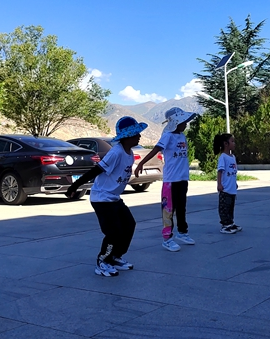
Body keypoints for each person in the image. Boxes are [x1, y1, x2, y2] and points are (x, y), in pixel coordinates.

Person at [66, 116, 147, 276]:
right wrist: (75, 186)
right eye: (136, 133)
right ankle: (102, 262)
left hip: (114, 198)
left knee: (129, 224)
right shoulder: (116, 153)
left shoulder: (130, 153)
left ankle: (115, 256)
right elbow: (96, 171)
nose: (139, 136)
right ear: (127, 136)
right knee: (113, 232)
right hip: (102, 198)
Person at [135, 107, 198, 252]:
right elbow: (155, 150)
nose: (185, 124)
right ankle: (167, 238)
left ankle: (182, 232)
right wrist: (141, 163)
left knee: (181, 207)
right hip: (171, 180)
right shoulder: (167, 136)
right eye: (183, 121)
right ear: (175, 122)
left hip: (182, 178)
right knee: (168, 209)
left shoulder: (182, 136)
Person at [214, 133, 241, 234]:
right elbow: (220, 171)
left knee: (230, 207)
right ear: (226, 144)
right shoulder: (223, 157)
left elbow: (234, 172)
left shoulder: (232, 157)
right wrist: (219, 184)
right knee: (224, 207)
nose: (234, 143)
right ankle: (225, 225)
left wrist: (235, 183)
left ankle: (231, 223)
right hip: (225, 189)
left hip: (232, 188)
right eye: (232, 141)